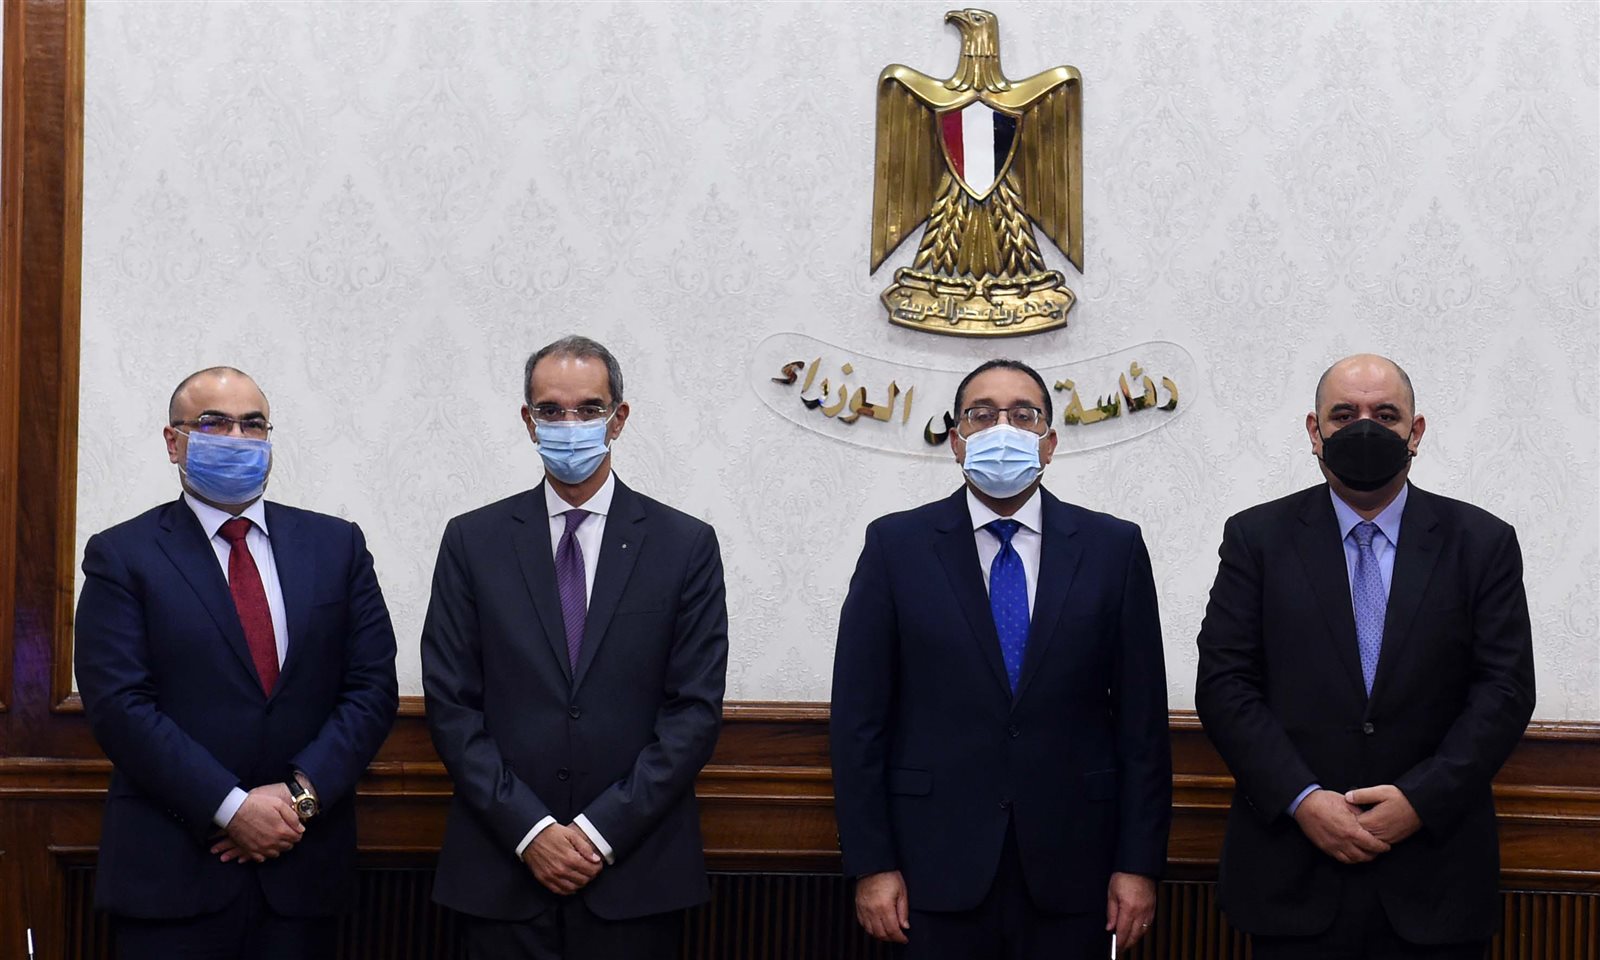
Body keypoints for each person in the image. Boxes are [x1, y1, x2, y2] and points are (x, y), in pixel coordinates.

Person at [1194, 353, 1536, 959]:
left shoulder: (1482, 543)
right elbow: (1225, 684)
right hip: (1293, 874)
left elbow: (1504, 691)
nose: (1364, 428)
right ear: (1314, 430)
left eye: (1385, 415)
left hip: (1436, 877)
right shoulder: (1256, 539)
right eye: (1344, 415)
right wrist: (1303, 799)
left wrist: (1420, 801)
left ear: (1415, 431)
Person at [830, 358, 1172, 959]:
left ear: (1050, 443)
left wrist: (1138, 865)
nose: (1003, 429)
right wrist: (871, 863)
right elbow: (859, 721)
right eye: (982, 416)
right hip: (931, 867)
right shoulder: (895, 546)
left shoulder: (1113, 548)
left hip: (1076, 867)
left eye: (1024, 415)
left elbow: (1142, 725)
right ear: (956, 441)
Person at [75, 366, 400, 960]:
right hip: (172, 874)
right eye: (213, 423)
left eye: (253, 425)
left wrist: (298, 798)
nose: (237, 438)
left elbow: (372, 688)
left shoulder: (338, 546)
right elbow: (120, 706)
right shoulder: (121, 554)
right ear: (173, 441)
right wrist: (231, 807)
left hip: (303, 871)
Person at [422, 335, 729, 959]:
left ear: (618, 418)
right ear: (527, 420)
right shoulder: (472, 541)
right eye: (551, 410)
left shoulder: (684, 545)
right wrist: (531, 830)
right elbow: (451, 704)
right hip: (501, 871)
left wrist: (598, 832)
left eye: (588, 409)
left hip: (635, 873)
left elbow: (693, 711)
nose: (569, 425)